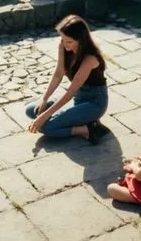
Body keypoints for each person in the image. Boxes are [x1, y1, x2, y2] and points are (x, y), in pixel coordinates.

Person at [26, 14, 109, 144]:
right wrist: (44, 99)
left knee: (44, 126)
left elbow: (70, 93)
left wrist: (44, 116)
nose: (65, 45)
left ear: (81, 40)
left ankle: (86, 129)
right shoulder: (65, 46)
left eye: (69, 41)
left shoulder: (90, 59)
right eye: (62, 39)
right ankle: (82, 120)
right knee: (32, 110)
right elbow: (58, 74)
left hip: (94, 103)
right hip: (78, 98)